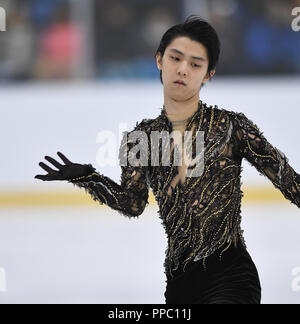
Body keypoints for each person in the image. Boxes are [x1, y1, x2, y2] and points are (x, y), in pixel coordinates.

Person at [35, 15, 300, 304]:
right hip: (179, 283)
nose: (183, 70)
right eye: (176, 58)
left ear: (208, 73)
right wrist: (87, 176)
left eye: (195, 64)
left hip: (231, 276)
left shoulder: (231, 127)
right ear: (159, 60)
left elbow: (289, 181)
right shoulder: (142, 138)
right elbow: (133, 204)